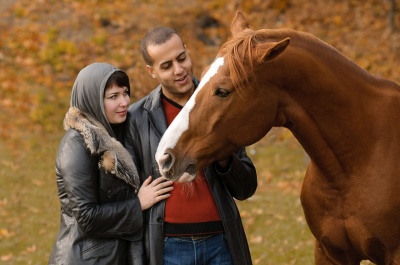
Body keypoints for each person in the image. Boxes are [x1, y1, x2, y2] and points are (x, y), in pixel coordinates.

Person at [124, 27, 257, 265]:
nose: (179, 70)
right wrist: (137, 200)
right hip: (168, 247)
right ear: (151, 71)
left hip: (221, 242)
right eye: (166, 66)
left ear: (187, 51)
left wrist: (225, 158)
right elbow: (119, 191)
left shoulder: (222, 102)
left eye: (181, 58)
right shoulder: (137, 119)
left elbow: (246, 188)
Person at [48, 62, 173, 265]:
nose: (124, 102)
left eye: (125, 93)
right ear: (92, 100)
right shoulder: (77, 144)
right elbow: (87, 217)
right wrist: (138, 204)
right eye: (113, 97)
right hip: (85, 258)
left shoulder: (114, 136)